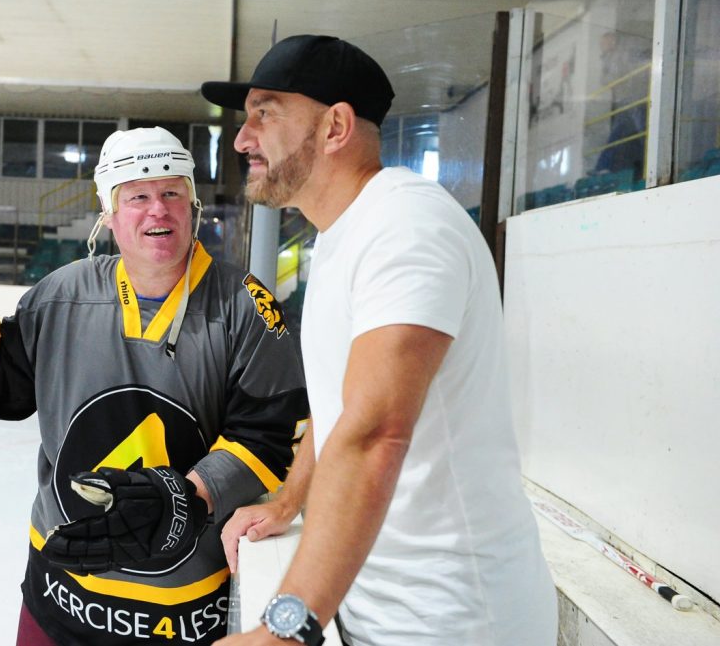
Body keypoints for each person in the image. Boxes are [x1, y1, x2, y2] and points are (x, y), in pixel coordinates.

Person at [201, 35, 557, 645]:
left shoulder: (406, 227)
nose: (241, 137)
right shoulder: (344, 233)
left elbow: (373, 434)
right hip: (382, 607)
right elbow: (340, 408)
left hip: (454, 621)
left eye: (265, 112)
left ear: (336, 125)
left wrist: (283, 629)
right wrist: (289, 501)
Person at [0, 126, 309, 645]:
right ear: (109, 215)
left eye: (171, 193)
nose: (157, 209)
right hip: (62, 596)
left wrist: (188, 496)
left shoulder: (244, 305)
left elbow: (270, 435)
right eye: (137, 196)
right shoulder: (61, 293)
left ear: (193, 206)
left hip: (183, 610)